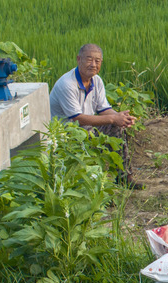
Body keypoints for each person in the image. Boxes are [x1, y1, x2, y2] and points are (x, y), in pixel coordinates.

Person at [49, 44, 141, 189]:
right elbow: (77, 118)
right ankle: (94, 187)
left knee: (117, 127)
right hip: (66, 132)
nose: (93, 65)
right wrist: (113, 118)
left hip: (84, 127)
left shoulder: (96, 81)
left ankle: (124, 176)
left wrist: (120, 117)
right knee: (94, 131)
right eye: (89, 60)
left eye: (97, 61)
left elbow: (104, 109)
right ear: (79, 59)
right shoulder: (67, 84)